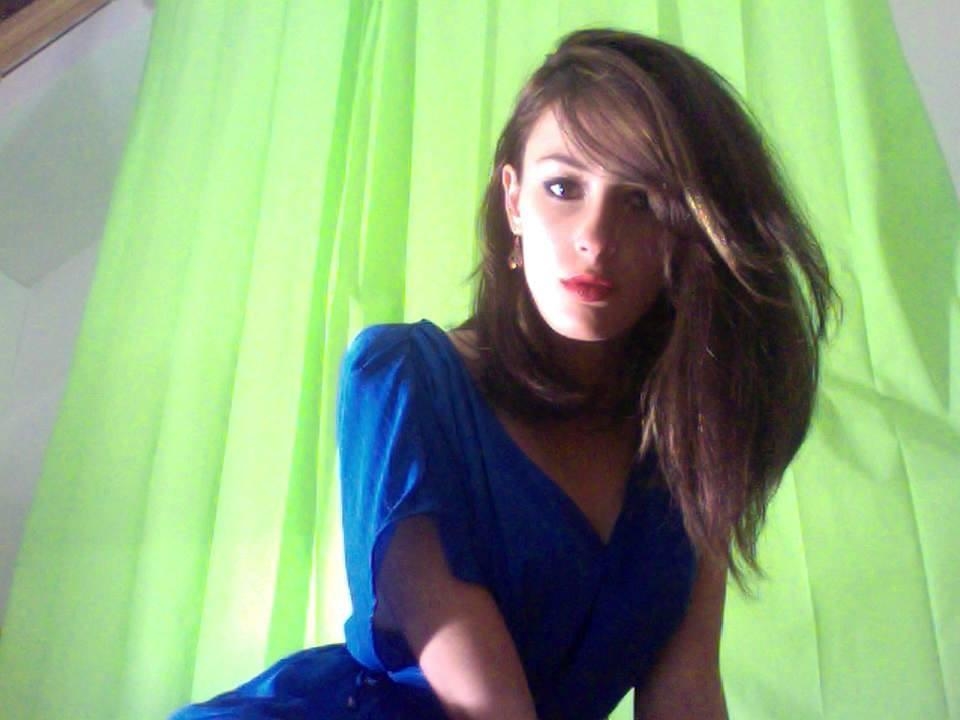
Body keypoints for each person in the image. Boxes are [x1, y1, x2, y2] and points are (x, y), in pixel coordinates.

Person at [170, 28, 836, 720]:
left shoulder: (695, 433)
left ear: (691, 227)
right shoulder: (402, 381)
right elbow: (485, 701)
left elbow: (687, 690)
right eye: (563, 187)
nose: (595, 237)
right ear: (513, 200)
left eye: (641, 200)